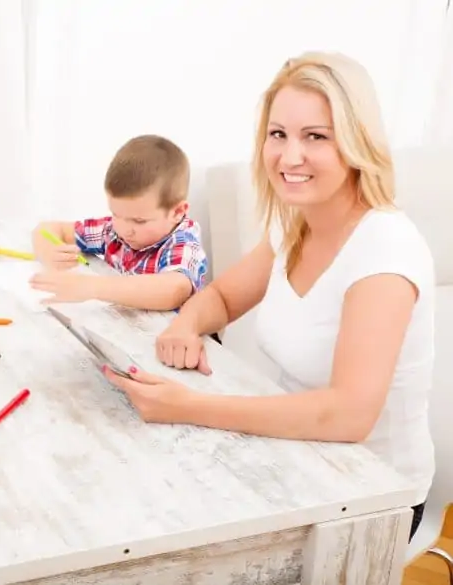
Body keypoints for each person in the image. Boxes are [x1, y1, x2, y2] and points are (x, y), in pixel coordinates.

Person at [101, 52, 435, 542]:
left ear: (356, 142)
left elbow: (348, 415)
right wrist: (185, 325)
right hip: (298, 458)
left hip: (371, 501)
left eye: (315, 136)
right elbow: (221, 296)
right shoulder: (294, 219)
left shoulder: (384, 248)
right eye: (277, 134)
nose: (288, 156)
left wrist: (187, 405)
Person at [29, 134, 209, 312]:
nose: (124, 230)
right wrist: (48, 251)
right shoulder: (113, 230)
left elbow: (173, 290)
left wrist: (92, 287)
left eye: (139, 221)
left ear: (177, 212)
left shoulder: (184, 243)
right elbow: (47, 228)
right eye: (115, 214)